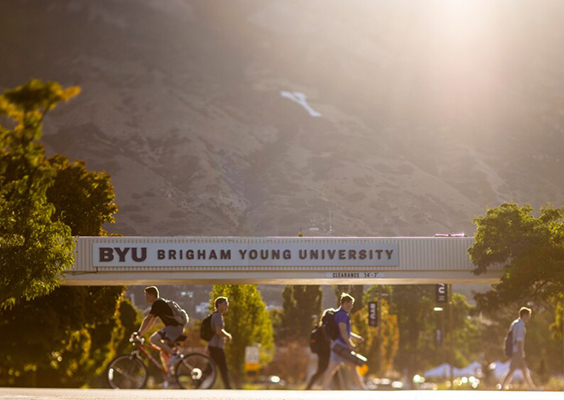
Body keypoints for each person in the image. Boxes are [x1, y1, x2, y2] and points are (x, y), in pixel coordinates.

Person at [133, 286, 184, 376]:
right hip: (175, 328)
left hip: (174, 328)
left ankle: (174, 355)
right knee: (163, 353)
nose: (146, 298)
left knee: (153, 339)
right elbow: (151, 322)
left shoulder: (158, 303)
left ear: (153, 295)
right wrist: (140, 334)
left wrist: (138, 333)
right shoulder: (159, 304)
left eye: (147, 295)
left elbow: (147, 319)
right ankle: (171, 376)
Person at [322, 293, 367, 390]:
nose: (351, 306)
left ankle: (324, 388)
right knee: (353, 367)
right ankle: (362, 388)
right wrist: (350, 344)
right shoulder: (342, 315)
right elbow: (343, 331)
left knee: (332, 368)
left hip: (336, 345)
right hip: (342, 346)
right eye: (350, 304)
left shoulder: (338, 313)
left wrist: (356, 337)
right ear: (345, 303)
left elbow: (345, 332)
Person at [498, 307, 538, 390]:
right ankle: (502, 386)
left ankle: (532, 387)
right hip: (517, 351)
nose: (529, 317)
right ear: (525, 315)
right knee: (512, 370)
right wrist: (520, 352)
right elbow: (519, 340)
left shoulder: (515, 323)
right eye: (528, 315)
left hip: (514, 350)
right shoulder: (520, 325)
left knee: (524, 370)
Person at [208, 296, 232, 389]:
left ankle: (197, 385)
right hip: (216, 346)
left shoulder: (216, 315)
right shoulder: (217, 316)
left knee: (211, 368)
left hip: (214, 346)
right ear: (219, 304)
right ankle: (228, 387)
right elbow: (219, 331)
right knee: (223, 367)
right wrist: (228, 336)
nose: (227, 306)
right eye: (225, 304)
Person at [306, 309, 331, 390]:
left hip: (321, 352)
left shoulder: (321, 327)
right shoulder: (326, 328)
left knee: (325, 369)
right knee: (325, 369)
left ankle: (309, 386)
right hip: (325, 352)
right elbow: (327, 340)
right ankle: (340, 387)